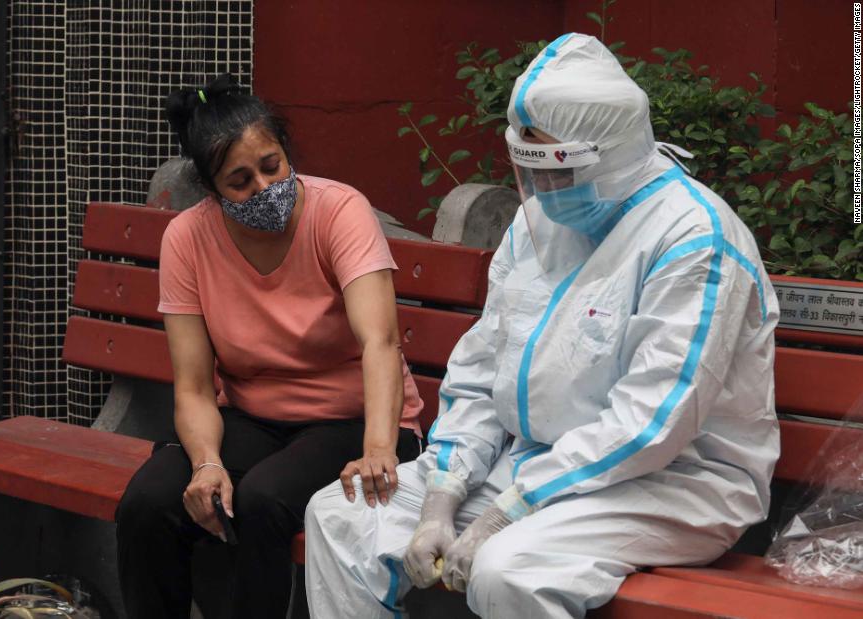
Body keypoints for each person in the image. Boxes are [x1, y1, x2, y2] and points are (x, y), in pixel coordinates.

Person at [304, 33, 780, 619]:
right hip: (525, 461)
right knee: (342, 516)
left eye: (561, 171)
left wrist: (510, 509)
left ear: (612, 151)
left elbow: (652, 422)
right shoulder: (537, 223)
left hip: (673, 480)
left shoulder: (693, 236)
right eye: (533, 171)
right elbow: (482, 372)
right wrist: (444, 493)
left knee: (509, 570)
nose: (547, 192)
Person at [115, 74, 423, 618]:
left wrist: (378, 448)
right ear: (211, 189)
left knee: (262, 501)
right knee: (149, 502)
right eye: (239, 181)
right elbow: (191, 385)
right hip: (255, 418)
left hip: (356, 418)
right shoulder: (187, 239)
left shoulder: (338, 211)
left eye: (272, 165)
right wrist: (207, 463)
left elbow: (380, 340)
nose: (263, 186)